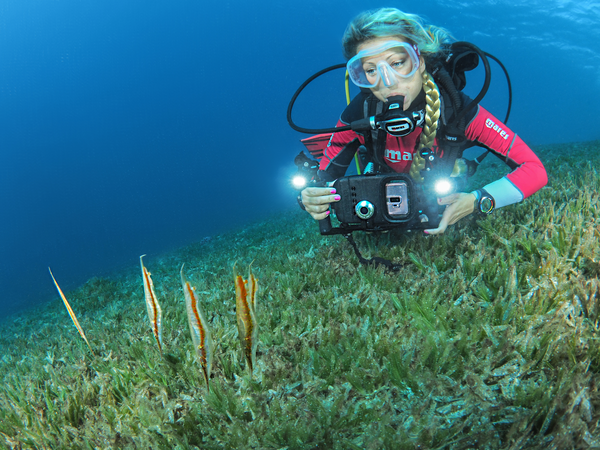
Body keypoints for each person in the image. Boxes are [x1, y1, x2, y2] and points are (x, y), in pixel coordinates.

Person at [299, 8, 547, 235]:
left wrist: (477, 200)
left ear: (420, 61)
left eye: (397, 63)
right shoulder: (360, 112)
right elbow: (322, 182)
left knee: (458, 174)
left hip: (436, 187)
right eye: (371, 70)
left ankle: (462, 167)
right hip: (384, 188)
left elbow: (534, 170)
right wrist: (309, 198)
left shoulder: (457, 109)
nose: (387, 82)